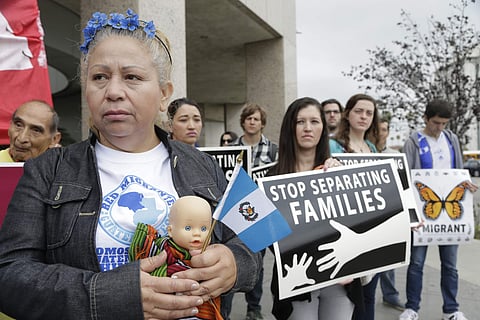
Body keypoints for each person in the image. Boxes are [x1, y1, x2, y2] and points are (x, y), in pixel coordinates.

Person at [0, 8, 260, 320]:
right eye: (99, 78)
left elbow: (258, 238)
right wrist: (107, 294)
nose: (112, 92)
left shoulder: (205, 164)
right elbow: (9, 275)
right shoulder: (47, 170)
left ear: (164, 95)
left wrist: (236, 264)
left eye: (132, 77)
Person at [268, 97, 361, 319]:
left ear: (323, 127)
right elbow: (265, 238)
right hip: (297, 279)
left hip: (340, 278)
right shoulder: (271, 179)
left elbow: (359, 225)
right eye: (300, 122)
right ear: (290, 127)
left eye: (314, 121)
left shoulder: (339, 171)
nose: (308, 128)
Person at [400, 99, 476, 320]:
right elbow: (407, 176)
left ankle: (451, 309)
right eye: (436, 123)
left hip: (450, 213)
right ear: (426, 118)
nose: (439, 127)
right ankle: (412, 307)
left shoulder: (451, 139)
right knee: (416, 263)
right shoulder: (414, 142)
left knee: (450, 265)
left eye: (444, 123)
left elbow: (459, 170)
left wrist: (466, 183)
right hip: (423, 211)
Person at [222, 103, 278, 320]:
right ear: (243, 122)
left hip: (262, 215)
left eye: (256, 119)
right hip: (236, 214)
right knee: (232, 258)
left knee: (257, 261)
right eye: (249, 118)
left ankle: (253, 307)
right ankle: (224, 309)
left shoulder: (273, 149)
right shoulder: (231, 150)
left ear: (262, 123)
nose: (252, 122)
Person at [130, 196, 222, 319]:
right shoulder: (165, 251)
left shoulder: (210, 255)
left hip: (200, 309)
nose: (197, 233)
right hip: (164, 308)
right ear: (170, 231)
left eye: (204, 228)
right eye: (188, 228)